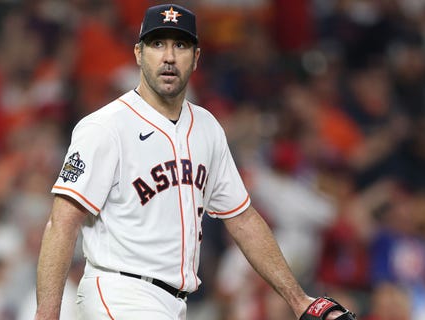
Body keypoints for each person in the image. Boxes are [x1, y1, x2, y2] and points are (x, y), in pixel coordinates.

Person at [35, 4, 355, 320]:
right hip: (119, 293)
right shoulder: (104, 127)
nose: (169, 56)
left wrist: (299, 300)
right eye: (157, 44)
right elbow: (62, 223)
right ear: (138, 53)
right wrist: (47, 315)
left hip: (174, 303)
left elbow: (241, 219)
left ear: (196, 57)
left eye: (181, 45)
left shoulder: (207, 128)